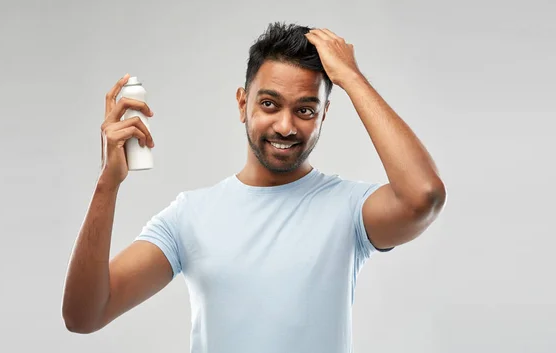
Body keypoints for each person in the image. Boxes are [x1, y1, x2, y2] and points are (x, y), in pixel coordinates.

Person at [62, 22, 447, 352]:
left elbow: (423, 195)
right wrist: (107, 185)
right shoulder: (189, 216)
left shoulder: (350, 209)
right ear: (242, 103)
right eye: (269, 104)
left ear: (324, 114)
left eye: (306, 109)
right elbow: (84, 314)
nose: (285, 126)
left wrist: (350, 77)